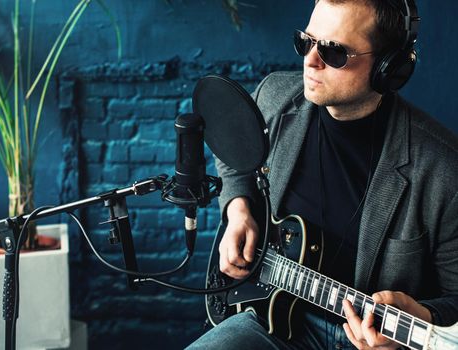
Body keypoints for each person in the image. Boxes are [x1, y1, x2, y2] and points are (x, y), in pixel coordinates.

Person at [187, 0, 458, 349]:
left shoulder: (443, 170)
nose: (310, 60)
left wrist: (424, 316)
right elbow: (234, 155)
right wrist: (237, 209)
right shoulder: (275, 97)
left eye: (333, 52)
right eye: (306, 41)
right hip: (266, 319)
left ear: (388, 69)